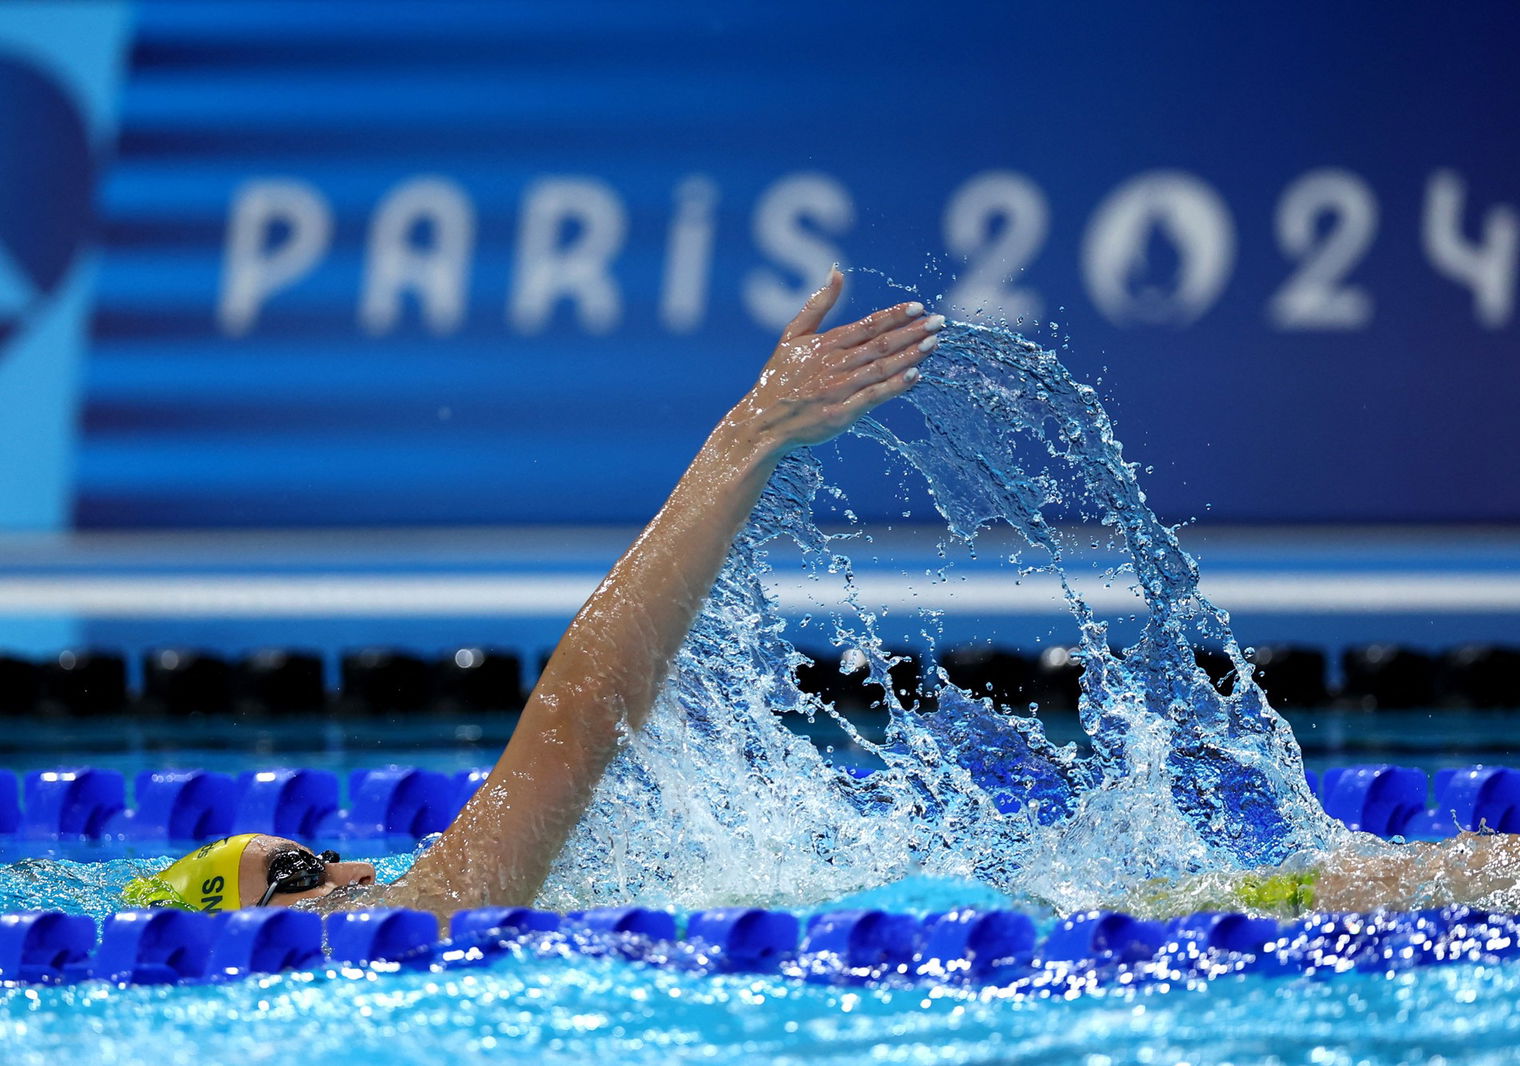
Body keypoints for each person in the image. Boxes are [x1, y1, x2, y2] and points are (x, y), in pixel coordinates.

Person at [123, 270, 945, 920]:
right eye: (300, 871)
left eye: (319, 855)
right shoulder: (408, 921)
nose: (358, 868)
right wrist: (751, 434)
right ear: (238, 930)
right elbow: (585, 711)